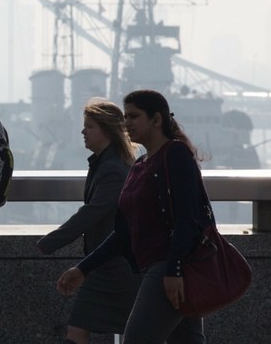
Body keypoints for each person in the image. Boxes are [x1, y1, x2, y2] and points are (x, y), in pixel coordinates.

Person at [56, 89, 212, 343]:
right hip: (160, 267)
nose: (127, 122)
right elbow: (125, 232)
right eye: (125, 116)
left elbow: (187, 219)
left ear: (156, 120)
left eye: (134, 116)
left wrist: (174, 270)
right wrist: (83, 269)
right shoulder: (140, 166)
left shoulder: (175, 154)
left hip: (170, 268)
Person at [37, 98, 140, 343]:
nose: (83, 131)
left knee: (81, 327)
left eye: (89, 126)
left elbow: (92, 212)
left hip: (114, 267)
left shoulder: (112, 168)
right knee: (118, 329)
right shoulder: (107, 162)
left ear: (106, 130)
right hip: (107, 263)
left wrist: (49, 243)